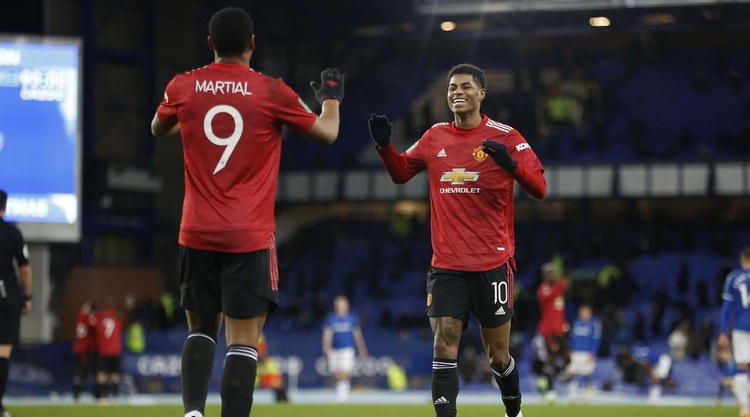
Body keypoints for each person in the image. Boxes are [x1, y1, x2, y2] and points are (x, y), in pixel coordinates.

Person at [150, 7, 343, 417]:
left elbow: (157, 127)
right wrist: (330, 98)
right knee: (242, 340)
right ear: (253, 43)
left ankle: (192, 412)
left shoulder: (183, 85)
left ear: (209, 43)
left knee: (201, 330)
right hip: (248, 236)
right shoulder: (271, 91)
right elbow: (327, 133)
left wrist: (186, 117)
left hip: (196, 232)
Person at [369, 63, 546, 417]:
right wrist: (385, 146)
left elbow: (540, 188)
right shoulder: (435, 136)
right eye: (452, 87)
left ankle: (514, 411)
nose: (457, 92)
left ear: (482, 93)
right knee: (444, 343)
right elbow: (401, 174)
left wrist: (512, 166)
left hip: (492, 263)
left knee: (498, 356)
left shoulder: (507, 136)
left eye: (465, 86)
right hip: (447, 265)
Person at [0, 190, 32, 417]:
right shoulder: (12, 233)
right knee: (2, 353)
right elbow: (25, 269)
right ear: (5, 207)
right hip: (5, 297)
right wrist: (27, 297)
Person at [719, 247, 750, 417]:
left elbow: (726, 308)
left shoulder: (733, 278)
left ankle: (744, 408)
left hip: (740, 328)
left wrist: (723, 332)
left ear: (741, 259)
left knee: (741, 367)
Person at [322, 295, 368, 403]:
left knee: (346, 371)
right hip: (334, 349)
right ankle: (341, 394)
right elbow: (327, 333)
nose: (340, 306)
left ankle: (342, 396)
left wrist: (362, 349)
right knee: (336, 372)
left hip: (348, 348)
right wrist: (326, 345)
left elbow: (357, 334)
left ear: (347, 305)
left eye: (342, 304)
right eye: (338, 304)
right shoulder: (331, 319)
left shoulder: (352, 319)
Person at [565, 304, 601, 403]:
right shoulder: (576, 323)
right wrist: (569, 350)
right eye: (583, 312)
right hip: (575, 352)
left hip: (587, 353)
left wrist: (593, 352)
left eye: (586, 312)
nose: (584, 314)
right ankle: (572, 396)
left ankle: (587, 395)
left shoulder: (594, 324)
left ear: (590, 313)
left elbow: (596, 339)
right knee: (571, 373)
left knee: (587, 374)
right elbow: (571, 338)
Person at [93, 303, 123, 405]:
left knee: (102, 375)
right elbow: (120, 323)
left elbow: (93, 327)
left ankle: (102, 396)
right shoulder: (116, 321)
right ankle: (115, 397)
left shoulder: (99, 321)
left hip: (104, 352)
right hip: (115, 351)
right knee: (115, 375)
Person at [72, 301, 97, 402]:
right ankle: (77, 394)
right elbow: (95, 326)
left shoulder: (80, 317)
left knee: (81, 371)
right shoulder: (87, 318)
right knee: (83, 372)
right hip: (84, 349)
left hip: (78, 348)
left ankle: (77, 395)